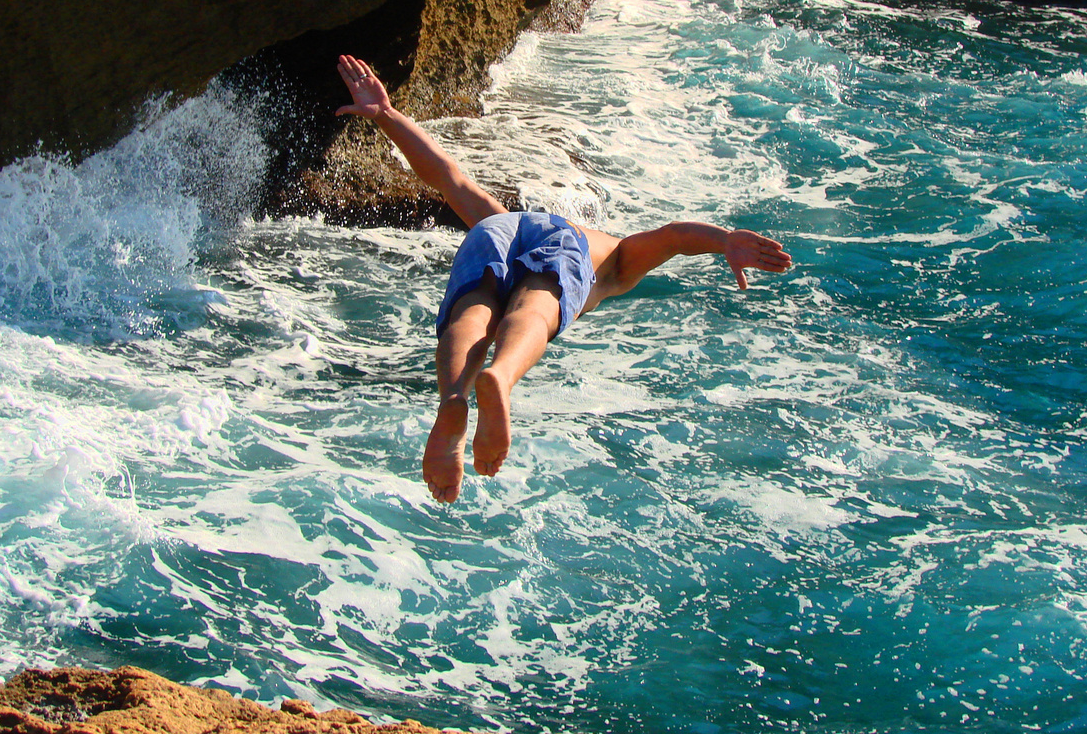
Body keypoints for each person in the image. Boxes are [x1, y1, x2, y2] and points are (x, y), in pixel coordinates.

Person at [335, 54, 793, 502]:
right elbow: (672, 238)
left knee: (471, 313)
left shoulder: (509, 219)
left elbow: (450, 179)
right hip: (566, 240)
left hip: (498, 225)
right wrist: (723, 240)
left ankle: (454, 396)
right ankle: (501, 376)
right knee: (535, 309)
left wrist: (388, 116)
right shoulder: (614, 261)